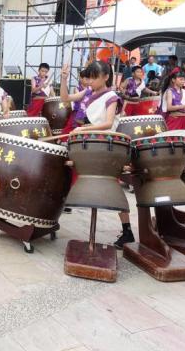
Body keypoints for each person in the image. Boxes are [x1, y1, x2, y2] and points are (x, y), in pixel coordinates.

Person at [60, 61, 132, 248]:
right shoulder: (89, 92)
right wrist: (64, 78)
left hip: (107, 147)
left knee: (112, 187)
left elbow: (108, 123)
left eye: (94, 77)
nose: (90, 81)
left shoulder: (111, 97)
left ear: (106, 77)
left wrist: (85, 128)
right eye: (89, 77)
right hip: (90, 144)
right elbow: (65, 98)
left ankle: (127, 230)